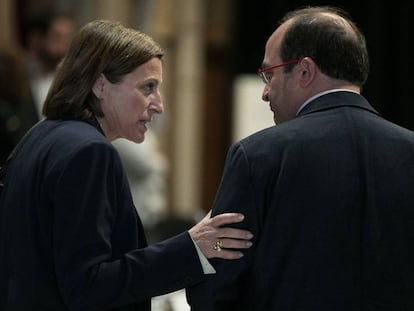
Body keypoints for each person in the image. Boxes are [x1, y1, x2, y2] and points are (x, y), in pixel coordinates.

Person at [0, 20, 253, 311]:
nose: (158, 105)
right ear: (100, 85)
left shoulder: (42, 135)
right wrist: (191, 249)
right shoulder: (90, 152)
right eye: (148, 87)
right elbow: (88, 286)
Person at [186, 6, 414, 311]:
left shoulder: (257, 155)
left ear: (305, 71)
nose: (265, 92)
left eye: (270, 74)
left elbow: (218, 275)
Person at [23, 10, 75, 117]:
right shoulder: (17, 74)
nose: (64, 47)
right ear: (36, 38)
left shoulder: (71, 78)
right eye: (57, 38)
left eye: (68, 39)